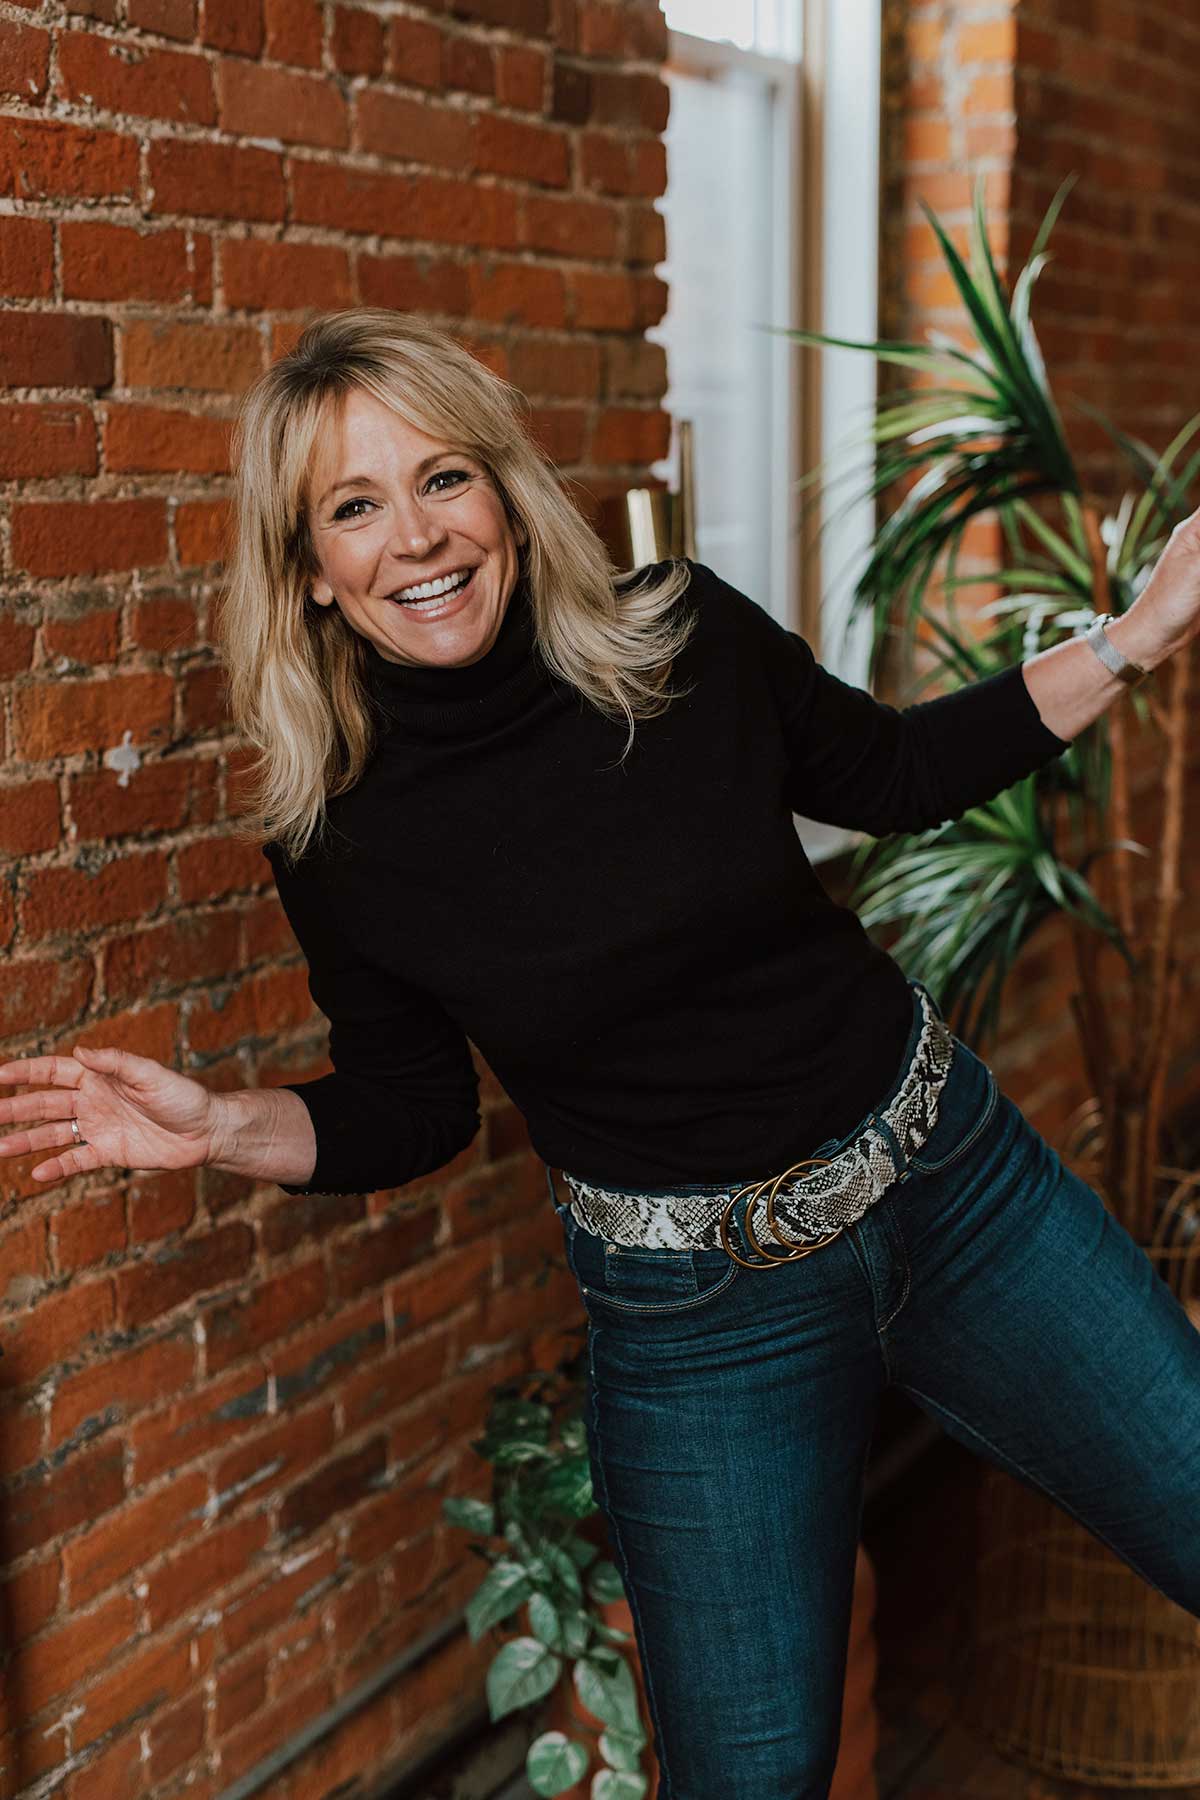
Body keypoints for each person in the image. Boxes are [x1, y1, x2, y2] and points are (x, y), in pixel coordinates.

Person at [2, 307, 1200, 1800]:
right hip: (702, 1324)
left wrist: (1135, 635)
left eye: (444, 479)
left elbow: (892, 775)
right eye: (355, 507)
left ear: (502, 492)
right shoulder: (340, 833)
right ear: (309, 569)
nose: (418, 538)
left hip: (957, 1189)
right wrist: (222, 1128)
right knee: (749, 1779)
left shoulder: (680, 632)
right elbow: (410, 1104)